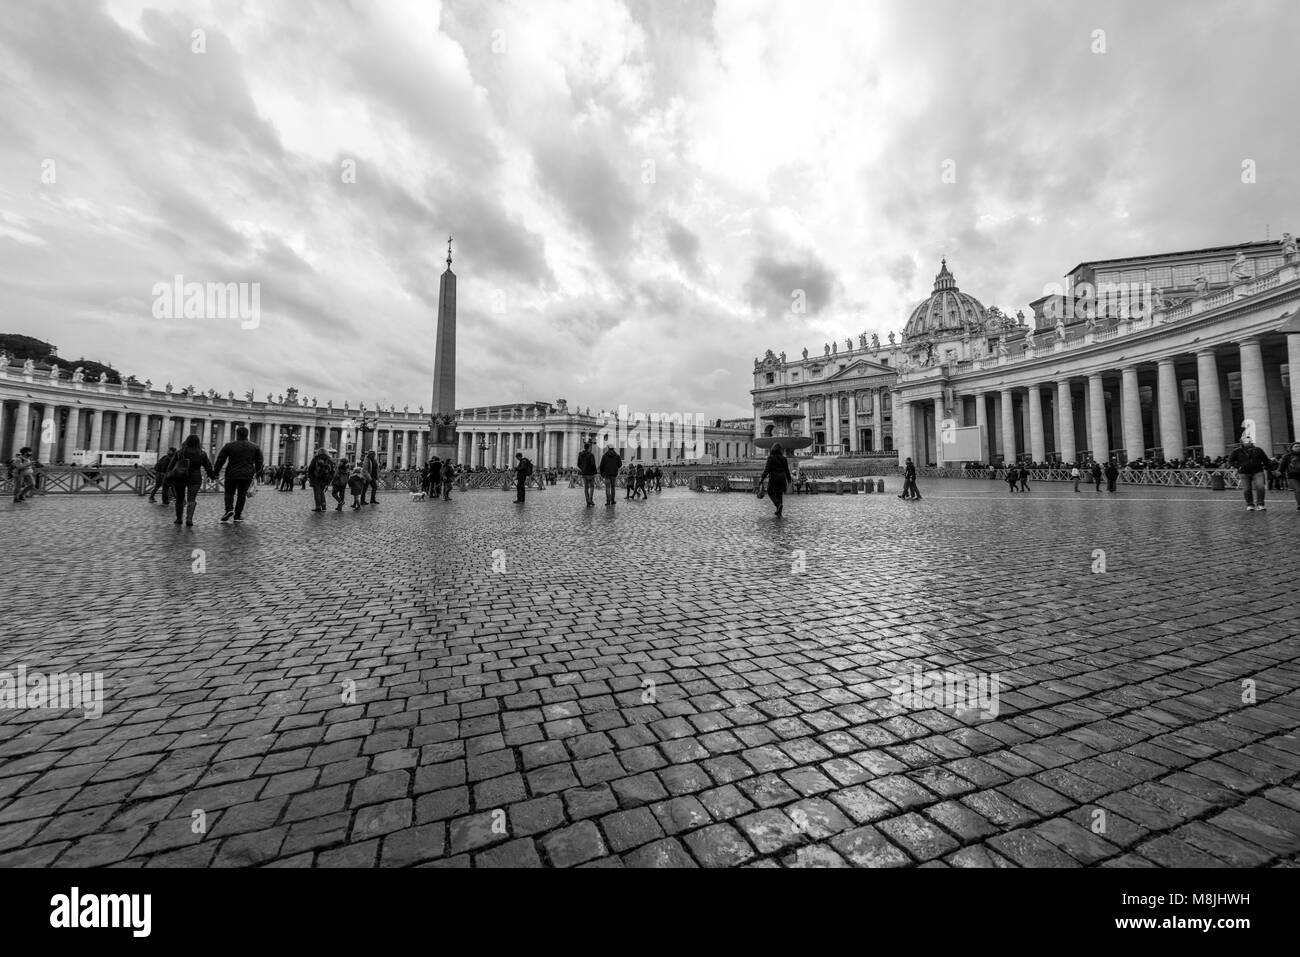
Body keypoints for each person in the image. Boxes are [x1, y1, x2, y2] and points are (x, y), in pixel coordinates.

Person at [213, 425, 264, 523]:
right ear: (247, 434)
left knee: (229, 493)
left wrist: (216, 472)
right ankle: (237, 515)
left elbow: (220, 460)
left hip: (231, 473)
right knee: (241, 495)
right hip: (247, 474)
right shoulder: (254, 447)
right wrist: (258, 473)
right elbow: (259, 461)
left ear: (237, 434)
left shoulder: (229, 445)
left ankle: (229, 509)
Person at [169, 434, 216, 526]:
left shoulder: (180, 452)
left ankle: (179, 519)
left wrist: (169, 475)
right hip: (195, 478)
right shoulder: (201, 453)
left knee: (179, 498)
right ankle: (189, 519)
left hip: (180, 477)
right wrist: (212, 476)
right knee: (192, 499)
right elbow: (208, 467)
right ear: (198, 443)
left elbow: (171, 466)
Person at [1228, 437, 1271, 511]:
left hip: (1258, 471)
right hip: (1244, 472)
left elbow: (1265, 460)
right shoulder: (1237, 451)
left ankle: (1260, 504)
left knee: (1260, 487)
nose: (1249, 442)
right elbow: (1230, 461)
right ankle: (1250, 504)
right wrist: (1238, 466)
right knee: (1247, 489)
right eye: (1246, 441)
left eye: (1250, 441)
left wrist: (1270, 468)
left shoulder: (1258, 450)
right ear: (1242, 442)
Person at [759, 443, 793, 517]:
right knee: (779, 494)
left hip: (774, 478)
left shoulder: (771, 458)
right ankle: (779, 512)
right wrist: (789, 480)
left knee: (770, 492)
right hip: (782, 479)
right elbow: (787, 470)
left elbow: (767, 469)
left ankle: (778, 504)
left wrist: (762, 478)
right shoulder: (784, 458)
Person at [308, 447, 335, 512]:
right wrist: (329, 479)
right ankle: (324, 506)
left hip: (316, 478)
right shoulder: (329, 460)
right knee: (322, 492)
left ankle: (318, 507)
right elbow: (332, 471)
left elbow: (311, 468)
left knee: (317, 493)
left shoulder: (316, 459)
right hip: (325, 479)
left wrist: (310, 476)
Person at [1277, 442, 1300, 510]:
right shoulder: (1287, 456)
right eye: (1296, 446)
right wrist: (1278, 472)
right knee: (1298, 490)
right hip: (1292, 476)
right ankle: (1299, 504)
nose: (1298, 447)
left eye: (1299, 446)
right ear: (1291, 448)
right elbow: (1282, 467)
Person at [577, 441, 598, 507]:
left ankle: (587, 500)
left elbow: (578, 464)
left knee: (586, 487)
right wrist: (595, 472)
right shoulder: (591, 455)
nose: (591, 448)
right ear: (588, 448)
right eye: (590, 447)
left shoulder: (580, 454)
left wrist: (583, 468)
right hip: (590, 473)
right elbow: (593, 464)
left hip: (584, 473)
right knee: (591, 487)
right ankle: (590, 499)